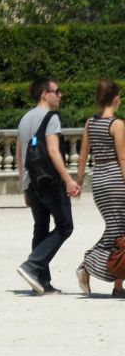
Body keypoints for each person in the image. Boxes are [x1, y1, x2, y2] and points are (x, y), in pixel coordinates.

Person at [15, 77, 81, 295]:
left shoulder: (24, 119)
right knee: (65, 226)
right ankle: (32, 266)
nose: (60, 95)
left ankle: (41, 282)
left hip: (32, 182)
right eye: (57, 91)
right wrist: (69, 180)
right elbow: (53, 151)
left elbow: (20, 155)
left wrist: (23, 185)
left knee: (40, 227)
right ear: (45, 94)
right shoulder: (52, 118)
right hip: (50, 182)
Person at [75, 79, 125, 296]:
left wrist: (78, 181)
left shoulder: (90, 123)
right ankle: (87, 265)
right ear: (115, 98)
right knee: (117, 231)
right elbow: (122, 158)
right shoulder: (117, 124)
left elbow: (84, 155)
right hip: (116, 180)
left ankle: (118, 284)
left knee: (120, 230)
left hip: (99, 180)